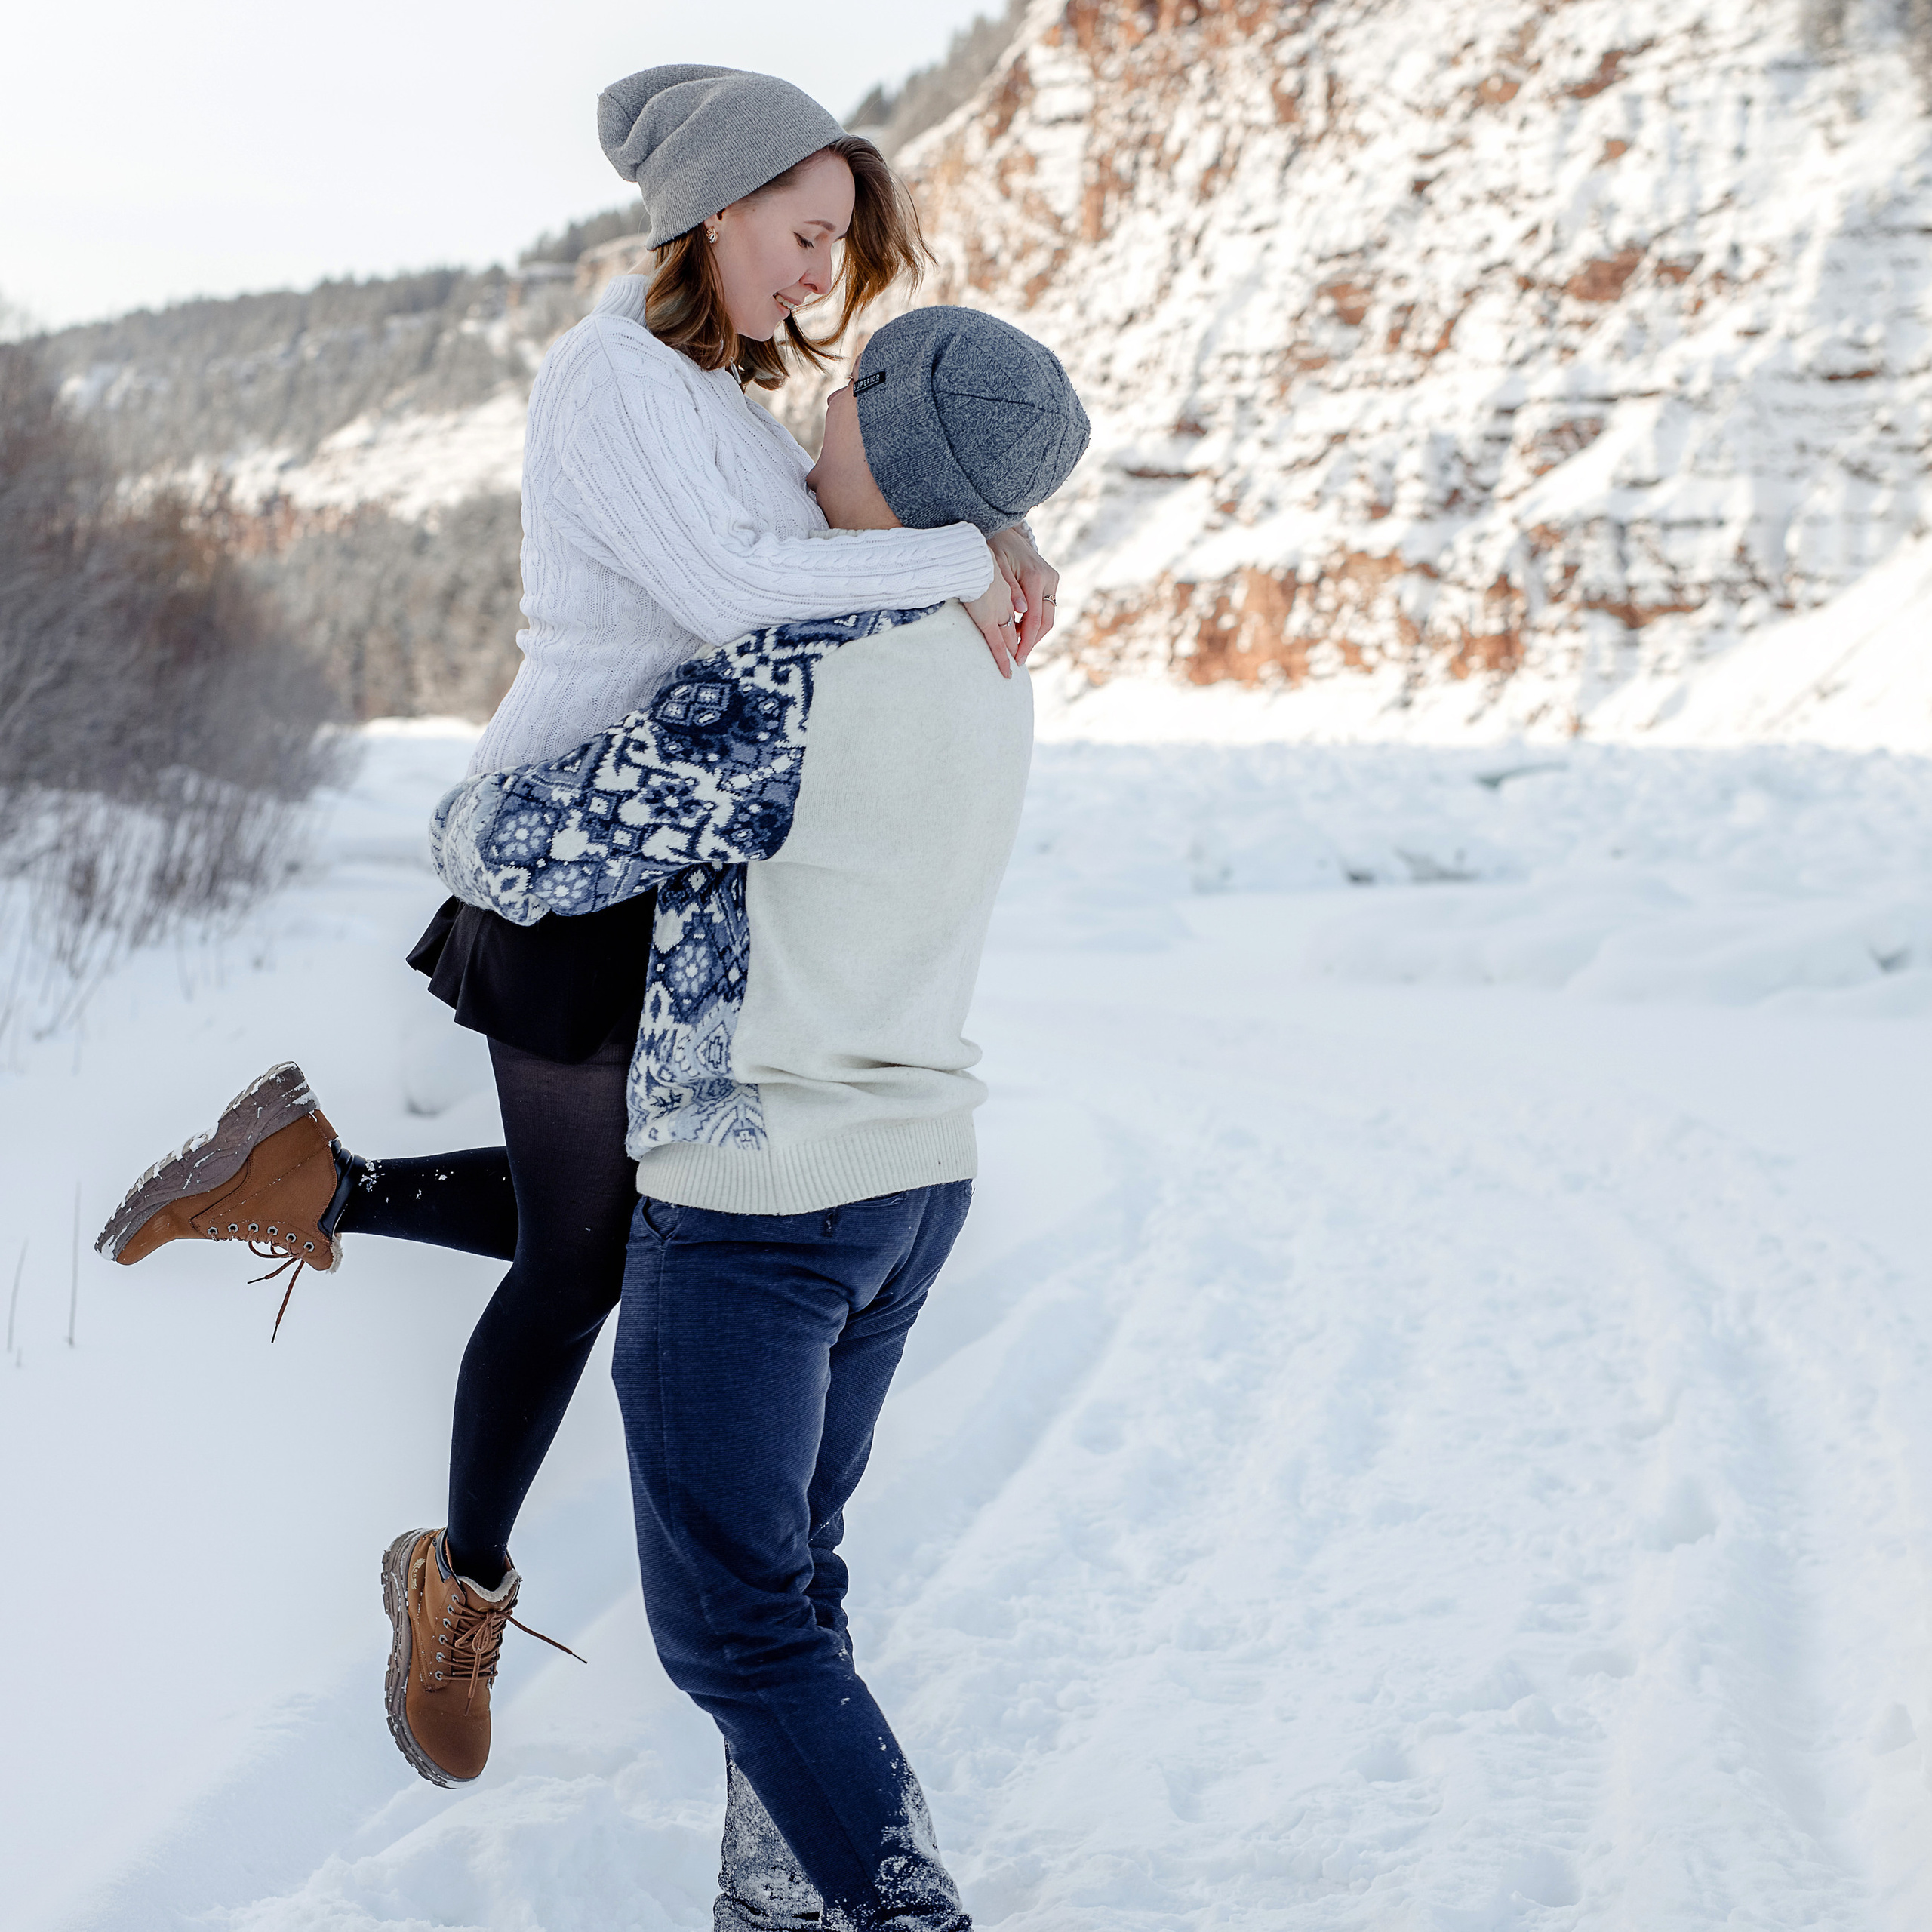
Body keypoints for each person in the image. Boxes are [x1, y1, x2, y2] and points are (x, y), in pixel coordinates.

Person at [94, 60, 1063, 1774]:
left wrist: (999, 524)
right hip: (563, 853)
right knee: (582, 1255)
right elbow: (744, 590)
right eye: (804, 232)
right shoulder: (610, 378)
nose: (820, 273)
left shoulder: (720, 394)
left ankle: (312, 1182)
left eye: (837, 243)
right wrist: (966, 563)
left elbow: (856, 507)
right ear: (714, 206)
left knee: (615, 1227)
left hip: (662, 858)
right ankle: (453, 1587)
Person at [428, 300, 1088, 1932]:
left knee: (734, 1628)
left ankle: (900, 1913)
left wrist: (468, 799)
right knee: (794, 1579)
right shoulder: (984, 645)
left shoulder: (791, 678)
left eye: (853, 395)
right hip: (909, 1182)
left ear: (900, 442)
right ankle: (785, 1903)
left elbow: (515, 848)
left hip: (757, 1204)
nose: (818, 415)